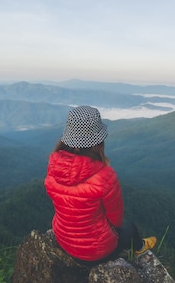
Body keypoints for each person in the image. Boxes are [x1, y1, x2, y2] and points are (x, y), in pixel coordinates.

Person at [44, 105, 157, 263]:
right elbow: (116, 221)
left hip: (64, 242)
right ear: (98, 141)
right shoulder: (105, 176)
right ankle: (140, 248)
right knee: (129, 228)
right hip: (96, 252)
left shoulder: (53, 169)